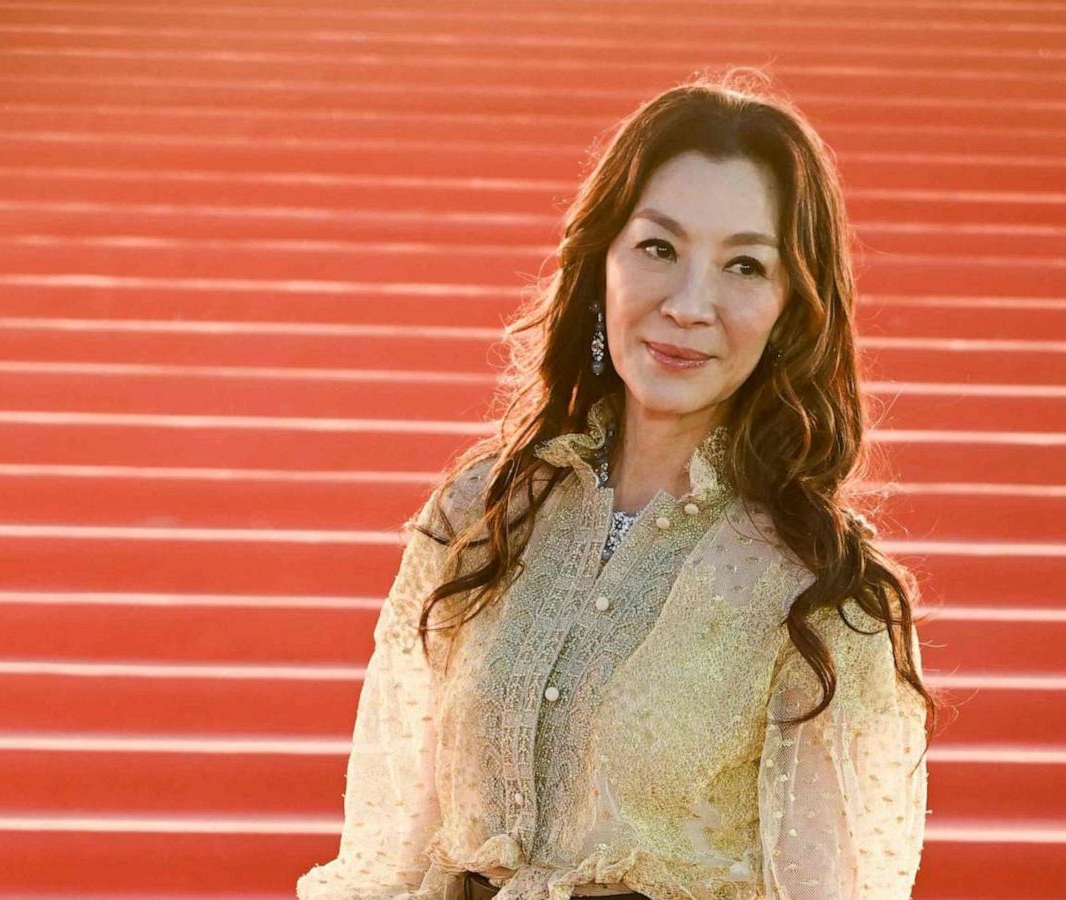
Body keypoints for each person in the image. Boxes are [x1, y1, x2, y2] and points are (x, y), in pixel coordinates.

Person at [297, 69, 941, 900]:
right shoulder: (482, 514)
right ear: (602, 262)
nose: (688, 304)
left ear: (793, 308)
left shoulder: (825, 593)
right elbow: (395, 851)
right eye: (659, 249)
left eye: (745, 266)